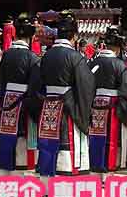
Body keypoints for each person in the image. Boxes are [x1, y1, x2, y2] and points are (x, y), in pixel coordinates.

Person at [37, 12, 95, 184]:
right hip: (69, 106)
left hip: (49, 105)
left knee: (48, 143)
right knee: (67, 143)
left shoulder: (46, 56)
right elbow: (86, 87)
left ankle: (46, 184)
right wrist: (84, 114)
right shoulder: (75, 57)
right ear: (74, 35)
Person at [0, 13, 41, 175]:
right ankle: (18, 179)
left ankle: (4, 178)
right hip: (23, 106)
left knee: (7, 140)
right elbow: (35, 89)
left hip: (7, 104)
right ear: (32, 36)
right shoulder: (33, 58)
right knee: (21, 142)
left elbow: (0, 82)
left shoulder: (6, 55)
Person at [88, 27, 127, 180]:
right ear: (118, 47)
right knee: (112, 139)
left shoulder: (92, 63)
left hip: (95, 105)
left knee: (96, 138)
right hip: (114, 106)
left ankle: (94, 171)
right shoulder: (120, 65)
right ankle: (109, 173)